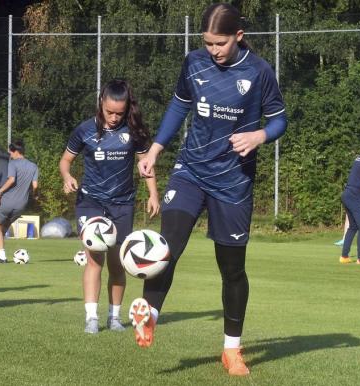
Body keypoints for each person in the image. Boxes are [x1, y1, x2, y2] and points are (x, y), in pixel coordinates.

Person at [130, 3, 287, 377]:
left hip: (233, 181)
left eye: (220, 43)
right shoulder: (194, 63)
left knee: (232, 268)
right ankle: (149, 315)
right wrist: (155, 149)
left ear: (238, 36)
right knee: (167, 245)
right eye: (207, 43)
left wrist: (260, 135)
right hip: (190, 171)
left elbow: (279, 118)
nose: (213, 50)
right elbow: (178, 106)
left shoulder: (259, 71)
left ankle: (232, 349)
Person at [59, 79, 160, 334]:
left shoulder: (133, 132)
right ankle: (91, 317)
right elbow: (65, 160)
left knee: (117, 263)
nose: (114, 118)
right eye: (109, 112)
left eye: (119, 113)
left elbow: (146, 165)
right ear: (101, 104)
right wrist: (67, 176)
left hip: (122, 203)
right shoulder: (84, 130)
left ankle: (114, 318)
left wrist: (153, 195)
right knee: (95, 260)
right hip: (91, 202)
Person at [0, 139, 39, 263]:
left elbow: (11, 180)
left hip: (7, 201)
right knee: (4, 228)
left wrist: (0, 191)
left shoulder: (13, 164)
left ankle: (2, 257)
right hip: (21, 204)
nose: (10, 155)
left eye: (10, 153)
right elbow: (35, 186)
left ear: (15, 152)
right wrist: (35, 196)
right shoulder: (33, 166)